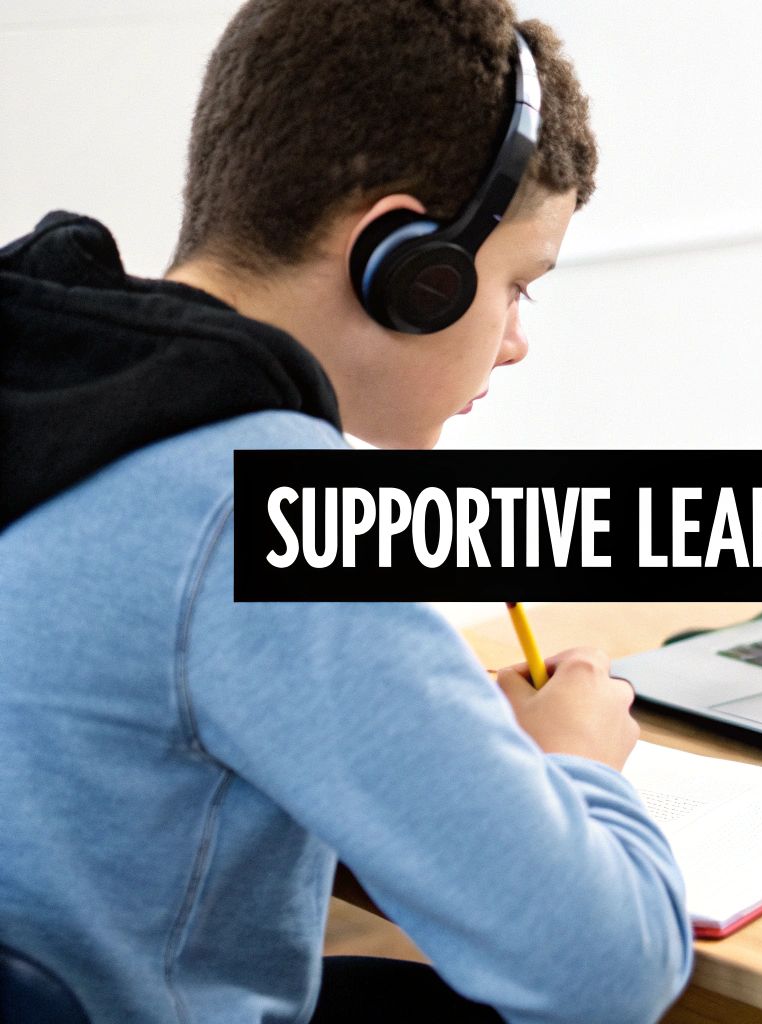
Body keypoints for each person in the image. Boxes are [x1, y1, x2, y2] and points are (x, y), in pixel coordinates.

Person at [0, 2, 693, 1022]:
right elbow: (608, 970)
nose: (512, 342)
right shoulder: (262, 509)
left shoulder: (57, 388)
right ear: (405, 266)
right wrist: (576, 762)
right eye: (515, 287)